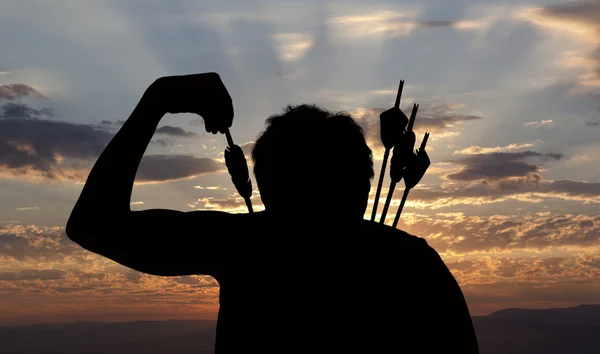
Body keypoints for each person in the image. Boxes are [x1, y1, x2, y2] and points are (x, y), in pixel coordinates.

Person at [66, 72, 479, 353]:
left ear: (266, 190)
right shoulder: (412, 265)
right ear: (362, 185)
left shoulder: (248, 247)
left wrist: (159, 99)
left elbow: (94, 225)